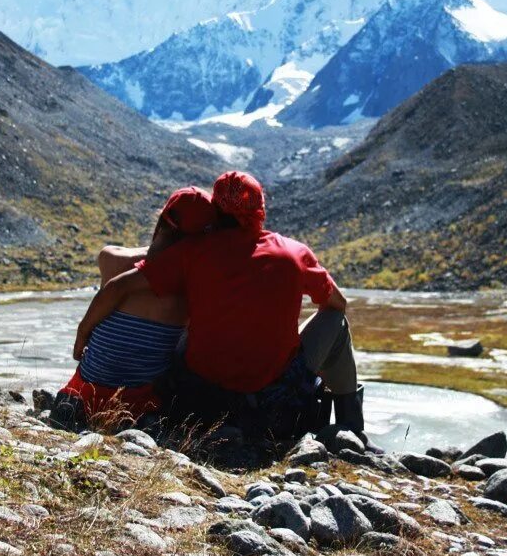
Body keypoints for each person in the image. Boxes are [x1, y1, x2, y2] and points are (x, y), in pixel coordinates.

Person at [80, 170, 377, 450]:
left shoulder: (193, 251)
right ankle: (352, 428)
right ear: (260, 208)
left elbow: (121, 285)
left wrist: (82, 339)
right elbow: (337, 304)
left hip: (200, 401)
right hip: (272, 401)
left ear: (216, 210)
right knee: (336, 322)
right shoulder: (294, 253)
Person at [49, 186, 217, 432]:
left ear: (161, 222)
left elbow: (115, 264)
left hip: (84, 394)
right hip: (139, 405)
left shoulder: (113, 261)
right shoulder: (197, 284)